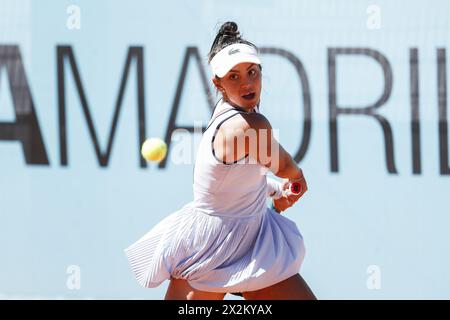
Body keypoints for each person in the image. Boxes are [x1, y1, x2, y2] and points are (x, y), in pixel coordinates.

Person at [124, 21, 316, 300]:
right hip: (210, 245)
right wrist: (296, 178)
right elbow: (285, 165)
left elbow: (234, 179)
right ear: (218, 83)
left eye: (252, 72)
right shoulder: (250, 125)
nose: (247, 83)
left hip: (251, 240)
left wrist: (274, 191)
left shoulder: (230, 113)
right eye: (234, 76)